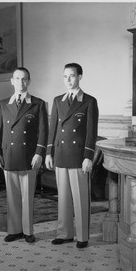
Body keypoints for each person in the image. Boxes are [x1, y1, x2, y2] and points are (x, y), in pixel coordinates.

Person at [0, 67, 49, 243]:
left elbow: (43, 132)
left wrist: (39, 153)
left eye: (24, 79)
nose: (20, 82)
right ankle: (14, 230)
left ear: (29, 81)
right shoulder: (3, 104)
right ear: (12, 81)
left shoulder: (38, 104)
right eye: (17, 79)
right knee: (12, 196)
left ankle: (27, 231)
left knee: (27, 197)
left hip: (29, 156)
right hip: (8, 155)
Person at [45, 63, 99, 248]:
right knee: (64, 198)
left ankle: (82, 237)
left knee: (80, 199)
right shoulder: (58, 100)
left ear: (80, 77)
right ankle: (64, 233)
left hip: (78, 157)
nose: (68, 80)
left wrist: (88, 157)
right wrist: (49, 153)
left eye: (72, 76)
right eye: (65, 76)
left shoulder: (89, 101)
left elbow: (91, 133)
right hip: (60, 154)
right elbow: (53, 129)